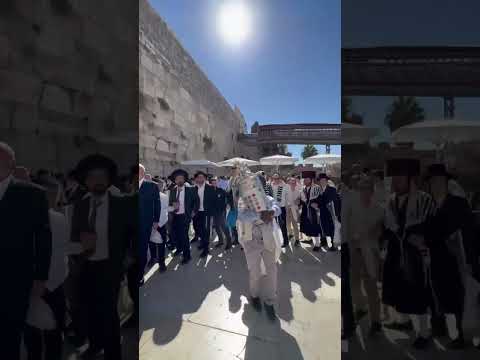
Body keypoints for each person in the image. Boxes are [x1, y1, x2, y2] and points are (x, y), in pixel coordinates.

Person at [70, 154, 135, 360]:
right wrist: (79, 246)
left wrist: (128, 259)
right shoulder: (80, 205)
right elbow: (72, 235)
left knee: (108, 314)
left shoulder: (121, 205)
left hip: (110, 267)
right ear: (85, 181)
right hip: (85, 265)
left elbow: (132, 234)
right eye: (92, 177)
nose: (98, 180)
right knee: (88, 311)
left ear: (108, 180)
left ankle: (112, 354)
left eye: (102, 176)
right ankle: (95, 345)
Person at [0, 142, 52, 360]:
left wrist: (40, 277)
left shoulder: (32, 194)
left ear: (11, 165)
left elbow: (43, 239)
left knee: (9, 336)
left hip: (15, 278)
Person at [382, 158, 437, 349]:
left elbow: (432, 226)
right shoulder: (390, 201)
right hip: (397, 252)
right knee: (399, 289)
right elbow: (388, 227)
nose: (396, 182)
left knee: (418, 292)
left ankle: (424, 332)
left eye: (400, 179)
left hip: (416, 254)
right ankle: (404, 320)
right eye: (394, 179)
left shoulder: (424, 199)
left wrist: (419, 237)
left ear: (410, 180)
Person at [424, 163, 472, 349]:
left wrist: (469, 258)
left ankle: (462, 334)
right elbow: (428, 229)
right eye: (433, 182)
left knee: (459, 297)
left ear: (446, 182)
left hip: (456, 258)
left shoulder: (457, 203)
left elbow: (467, 230)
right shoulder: (429, 205)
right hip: (436, 257)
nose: (436, 185)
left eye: (439, 181)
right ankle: (440, 326)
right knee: (438, 293)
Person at [24, 179, 70, 360]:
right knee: (54, 335)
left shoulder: (22, 218)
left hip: (29, 283)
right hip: (54, 283)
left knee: (32, 332)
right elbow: (64, 250)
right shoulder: (59, 219)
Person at [237, 175, 283, 321]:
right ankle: (255, 295)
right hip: (251, 241)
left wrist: (271, 212)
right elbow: (242, 216)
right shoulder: (243, 200)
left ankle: (270, 300)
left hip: (268, 240)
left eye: (258, 185)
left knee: (272, 270)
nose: (255, 187)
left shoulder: (268, 198)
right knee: (254, 271)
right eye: (252, 184)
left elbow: (277, 208)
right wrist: (259, 215)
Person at [344, 176, 383, 336]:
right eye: (361, 190)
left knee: (371, 287)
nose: (364, 193)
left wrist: (374, 233)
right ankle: (361, 307)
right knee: (354, 283)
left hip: (370, 251)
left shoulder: (378, 209)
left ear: (372, 192)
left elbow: (380, 231)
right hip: (355, 250)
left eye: (367, 189)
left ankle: (376, 321)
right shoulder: (354, 207)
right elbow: (348, 226)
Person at [168, 169, 199, 264]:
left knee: (184, 236)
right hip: (175, 216)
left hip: (185, 216)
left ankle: (187, 255)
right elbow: (170, 203)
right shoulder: (172, 191)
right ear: (175, 180)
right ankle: (179, 249)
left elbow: (196, 202)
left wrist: (194, 212)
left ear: (184, 179)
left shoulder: (191, 189)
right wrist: (172, 207)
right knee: (175, 234)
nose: (179, 180)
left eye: (181, 178)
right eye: (177, 179)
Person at [139, 164, 160, 285]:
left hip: (145, 223)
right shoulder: (128, 185)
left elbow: (157, 204)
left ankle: (140, 274)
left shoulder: (152, 186)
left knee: (142, 249)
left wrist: (156, 221)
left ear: (142, 173)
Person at [191, 171, 216, 257]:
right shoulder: (194, 188)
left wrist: (212, 212)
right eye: (198, 177)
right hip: (197, 212)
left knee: (205, 231)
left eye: (202, 177)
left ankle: (206, 249)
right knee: (198, 229)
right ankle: (203, 243)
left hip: (206, 213)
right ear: (196, 179)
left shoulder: (210, 188)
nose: (200, 179)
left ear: (205, 178)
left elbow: (214, 201)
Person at [148, 179, 169, 272]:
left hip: (161, 224)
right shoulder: (147, 196)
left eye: (161, 186)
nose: (159, 187)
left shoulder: (165, 196)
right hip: (150, 224)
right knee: (151, 243)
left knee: (161, 245)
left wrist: (159, 224)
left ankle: (162, 263)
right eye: (157, 186)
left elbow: (165, 210)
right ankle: (153, 259)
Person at [299, 170, 322, 251]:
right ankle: (310, 240)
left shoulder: (316, 188)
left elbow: (320, 199)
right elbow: (303, 200)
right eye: (304, 180)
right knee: (308, 226)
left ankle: (317, 244)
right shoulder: (303, 189)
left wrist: (317, 204)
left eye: (307, 179)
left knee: (315, 226)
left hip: (314, 211)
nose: (305, 181)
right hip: (306, 210)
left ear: (311, 180)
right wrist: (300, 202)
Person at [317, 173, 340, 251]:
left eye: (324, 180)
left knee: (331, 228)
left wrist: (322, 197)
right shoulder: (318, 190)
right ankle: (324, 241)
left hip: (331, 212)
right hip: (322, 211)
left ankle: (333, 244)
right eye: (321, 180)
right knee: (323, 226)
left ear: (327, 181)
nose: (322, 182)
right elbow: (318, 201)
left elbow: (332, 200)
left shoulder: (332, 189)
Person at [210, 177, 233, 250]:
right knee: (216, 227)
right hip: (213, 212)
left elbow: (229, 196)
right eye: (212, 182)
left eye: (215, 182)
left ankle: (229, 242)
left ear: (217, 182)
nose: (214, 183)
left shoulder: (221, 190)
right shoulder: (209, 191)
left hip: (221, 212)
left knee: (224, 227)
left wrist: (228, 205)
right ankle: (221, 241)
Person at [271, 173, 289, 248]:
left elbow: (287, 197)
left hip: (281, 208)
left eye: (277, 178)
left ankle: (285, 241)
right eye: (274, 178)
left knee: (283, 225)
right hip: (273, 208)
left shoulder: (284, 186)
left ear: (280, 178)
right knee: (273, 225)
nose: (276, 180)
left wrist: (287, 207)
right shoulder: (271, 186)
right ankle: (275, 242)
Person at [285, 177, 301, 246]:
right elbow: (284, 199)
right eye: (291, 183)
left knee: (295, 225)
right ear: (289, 183)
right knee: (287, 224)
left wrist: (298, 201)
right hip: (288, 209)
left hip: (295, 209)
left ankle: (297, 239)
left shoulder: (298, 191)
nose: (292, 184)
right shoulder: (286, 190)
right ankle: (290, 234)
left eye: (294, 183)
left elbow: (301, 201)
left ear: (295, 184)